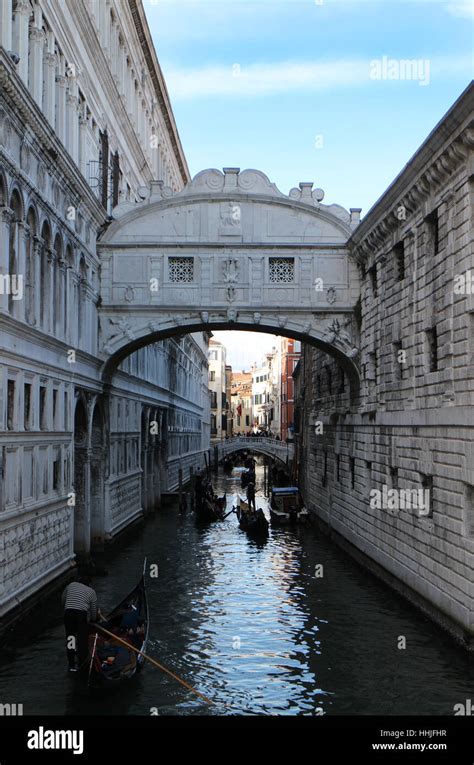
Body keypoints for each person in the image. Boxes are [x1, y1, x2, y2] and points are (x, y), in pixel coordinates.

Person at [62, 575, 100, 672]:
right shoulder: (91, 592)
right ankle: (82, 664)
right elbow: (93, 613)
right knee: (82, 639)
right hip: (80, 615)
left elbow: (63, 600)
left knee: (71, 638)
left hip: (68, 613)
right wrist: (92, 620)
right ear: (89, 584)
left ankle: (71, 665)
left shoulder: (70, 585)